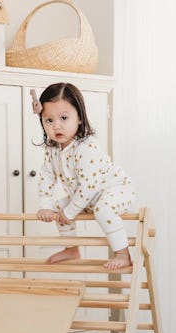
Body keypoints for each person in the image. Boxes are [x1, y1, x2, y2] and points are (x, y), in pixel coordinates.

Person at [32, 82, 136, 270]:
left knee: (103, 210)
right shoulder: (52, 148)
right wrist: (45, 206)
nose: (57, 126)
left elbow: (89, 186)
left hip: (115, 188)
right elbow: (47, 176)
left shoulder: (86, 147)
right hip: (87, 199)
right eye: (49, 120)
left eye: (64, 118)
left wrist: (70, 211)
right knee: (58, 207)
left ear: (79, 118)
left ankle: (123, 253)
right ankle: (72, 249)